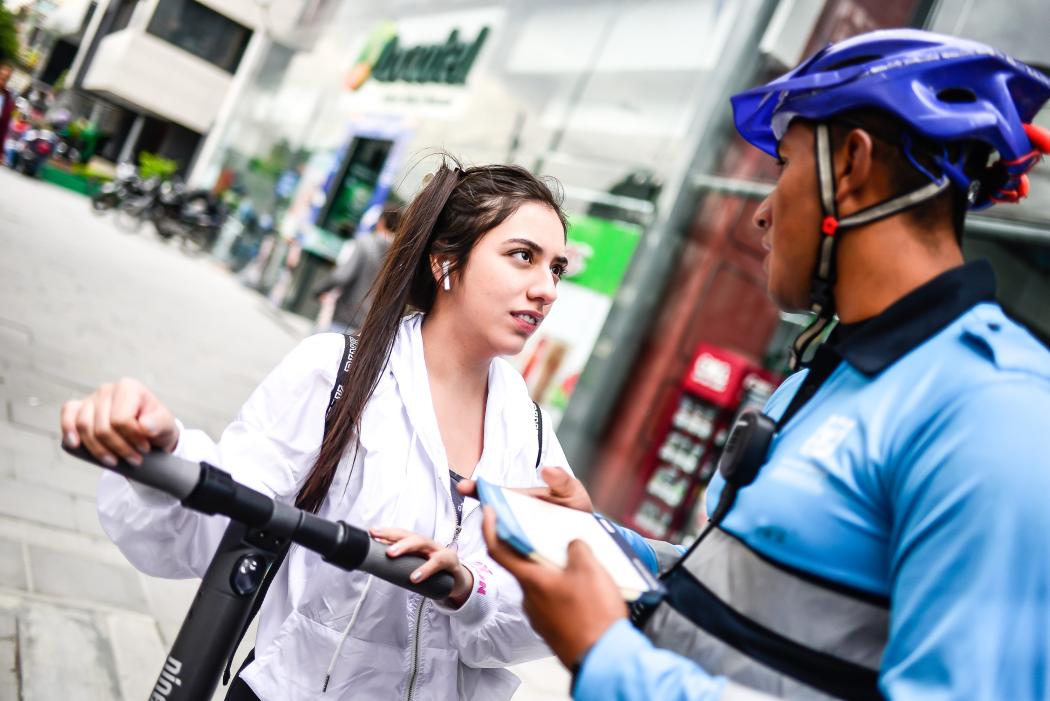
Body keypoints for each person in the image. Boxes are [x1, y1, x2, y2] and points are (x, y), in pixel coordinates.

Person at [467, 28, 1050, 701]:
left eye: (784, 168)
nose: (763, 216)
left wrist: (609, 658)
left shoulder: (996, 410)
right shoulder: (828, 373)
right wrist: (595, 537)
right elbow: (739, 592)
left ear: (852, 166)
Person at [59, 159, 574, 700]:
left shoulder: (531, 430)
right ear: (446, 261)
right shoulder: (337, 373)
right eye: (523, 257)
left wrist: (470, 588)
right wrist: (162, 450)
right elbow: (220, 524)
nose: (547, 290)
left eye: (557, 269)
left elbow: (540, 617)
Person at [313, 202, 402, 333]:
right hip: (372, 328)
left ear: (381, 222)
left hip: (347, 317)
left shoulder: (365, 243)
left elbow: (342, 275)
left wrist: (319, 290)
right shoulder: (398, 255)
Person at [0, 63, 15, 163]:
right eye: (1, 75)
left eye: (6, 78)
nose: (2, 79)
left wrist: (1, 151)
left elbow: (4, 128)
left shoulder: (8, 99)